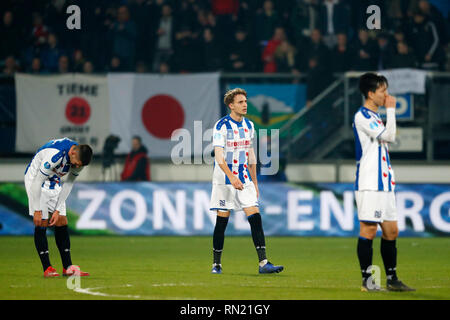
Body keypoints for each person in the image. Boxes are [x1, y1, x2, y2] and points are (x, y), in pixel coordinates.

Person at [209, 88, 283, 275]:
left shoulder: (249, 125)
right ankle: (216, 263)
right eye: (240, 102)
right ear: (231, 105)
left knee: (255, 217)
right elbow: (219, 156)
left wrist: (255, 183)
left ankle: (263, 263)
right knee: (222, 221)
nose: (245, 105)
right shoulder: (221, 126)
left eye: (245, 101)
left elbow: (251, 156)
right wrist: (231, 177)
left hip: (244, 178)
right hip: (224, 180)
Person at [353, 73, 415, 292]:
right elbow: (389, 137)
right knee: (369, 229)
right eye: (383, 91)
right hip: (370, 184)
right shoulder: (363, 116)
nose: (387, 95)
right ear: (371, 94)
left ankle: (392, 279)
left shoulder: (375, 117)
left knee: (391, 231)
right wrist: (391, 109)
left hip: (384, 185)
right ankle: (367, 281)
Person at [24, 137, 92, 277]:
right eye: (77, 164)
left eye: (80, 165)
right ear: (73, 153)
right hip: (36, 178)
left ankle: (68, 267)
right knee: (42, 221)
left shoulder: (80, 159)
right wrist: (37, 209)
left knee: (61, 220)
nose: (77, 167)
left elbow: (68, 184)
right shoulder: (55, 155)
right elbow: (37, 182)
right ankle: (47, 268)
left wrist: (57, 209)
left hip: (53, 179)